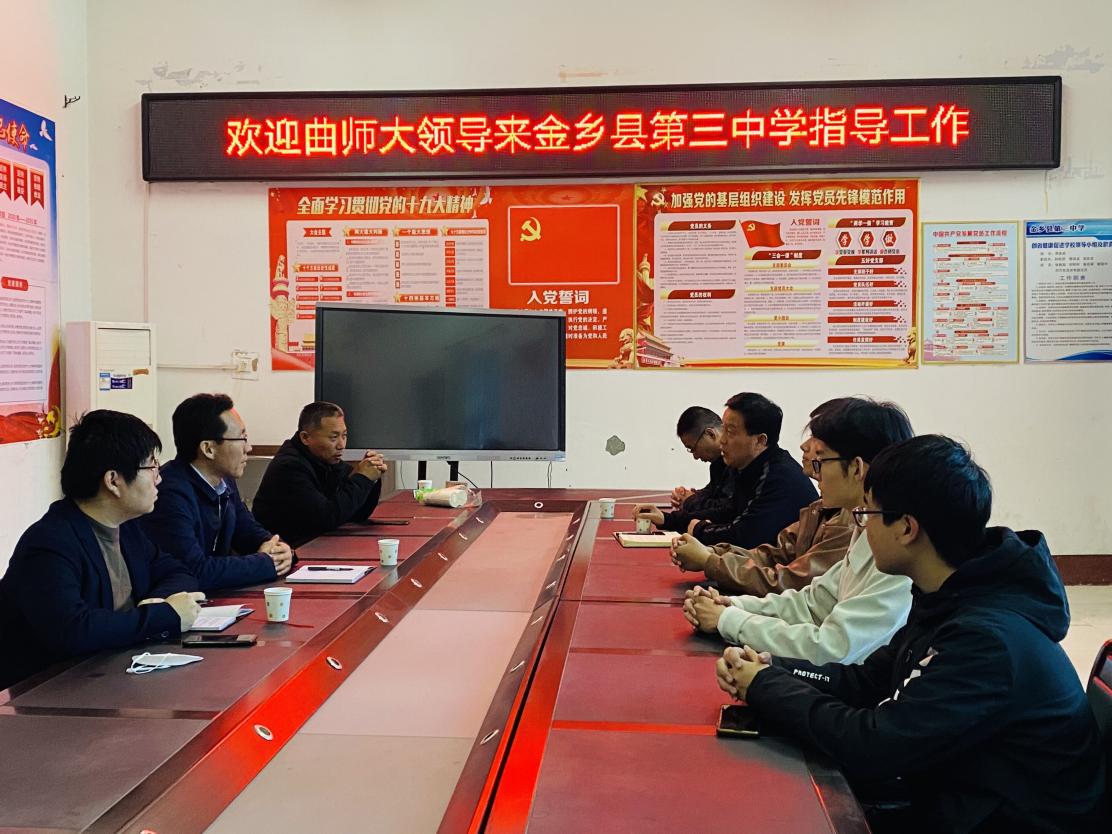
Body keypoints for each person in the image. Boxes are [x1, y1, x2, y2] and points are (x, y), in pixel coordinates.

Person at [715, 435, 1107, 834]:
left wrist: (765, 686)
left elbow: (873, 746)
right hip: (957, 800)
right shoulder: (947, 597)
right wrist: (774, 669)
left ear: (906, 527)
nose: (862, 528)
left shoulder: (987, 640)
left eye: (867, 514)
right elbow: (865, 681)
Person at [684, 397, 913, 664]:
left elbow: (832, 648)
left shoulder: (894, 552)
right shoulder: (863, 526)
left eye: (821, 459)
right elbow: (811, 603)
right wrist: (733, 606)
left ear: (856, 468)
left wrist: (729, 618)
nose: (812, 464)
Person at [0, 410, 203, 691]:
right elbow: (73, 630)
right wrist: (164, 615)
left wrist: (155, 602)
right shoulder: (50, 543)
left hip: (110, 675)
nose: (159, 478)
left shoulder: (127, 529)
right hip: (50, 693)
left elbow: (178, 571)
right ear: (113, 481)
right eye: (151, 467)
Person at [669, 397, 854, 595]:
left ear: (857, 467)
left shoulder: (849, 524)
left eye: (817, 439)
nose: (804, 446)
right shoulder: (820, 508)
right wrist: (711, 553)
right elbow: (773, 553)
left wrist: (709, 559)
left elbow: (791, 582)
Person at [142, 394, 292, 591]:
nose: (248, 448)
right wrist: (265, 562)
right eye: (242, 438)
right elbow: (194, 571)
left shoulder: (224, 480)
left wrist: (281, 550)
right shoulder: (170, 493)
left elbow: (249, 532)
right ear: (208, 449)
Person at [634, 392, 815, 548]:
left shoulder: (778, 477)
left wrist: (699, 530)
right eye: (724, 429)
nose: (722, 440)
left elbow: (744, 536)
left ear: (760, 441)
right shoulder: (744, 467)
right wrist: (667, 519)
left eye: (730, 432)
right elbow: (727, 511)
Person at [252, 401, 387, 546]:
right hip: (284, 550)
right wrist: (362, 478)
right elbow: (327, 517)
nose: (341, 445)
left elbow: (356, 514)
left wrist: (371, 475)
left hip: (314, 544)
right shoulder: (289, 467)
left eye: (344, 436)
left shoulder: (325, 459)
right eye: (333, 437)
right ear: (305, 438)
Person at [653, 406, 736, 532]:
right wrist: (692, 496)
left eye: (693, 448)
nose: (695, 457)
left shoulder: (738, 463)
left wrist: (691, 501)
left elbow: (725, 510)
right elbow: (713, 493)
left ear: (711, 434)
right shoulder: (718, 463)